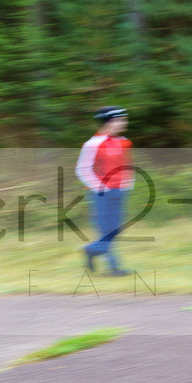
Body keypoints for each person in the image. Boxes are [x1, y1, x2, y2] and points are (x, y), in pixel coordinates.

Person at [76, 106, 134, 276]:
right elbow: (82, 170)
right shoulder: (93, 144)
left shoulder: (124, 141)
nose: (125, 122)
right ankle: (114, 267)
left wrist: (127, 185)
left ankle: (90, 250)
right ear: (110, 121)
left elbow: (126, 166)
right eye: (121, 119)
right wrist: (103, 189)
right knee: (106, 230)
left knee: (115, 229)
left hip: (120, 191)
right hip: (101, 193)